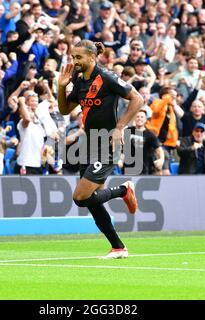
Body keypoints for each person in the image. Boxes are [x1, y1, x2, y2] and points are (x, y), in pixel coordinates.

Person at [58, 40, 143, 259]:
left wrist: (120, 127)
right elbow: (65, 109)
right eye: (73, 57)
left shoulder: (106, 77)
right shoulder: (79, 81)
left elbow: (137, 99)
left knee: (80, 197)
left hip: (107, 142)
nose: (75, 61)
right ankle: (118, 247)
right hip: (88, 142)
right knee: (92, 201)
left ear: (92, 57)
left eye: (79, 57)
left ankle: (124, 190)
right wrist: (61, 87)